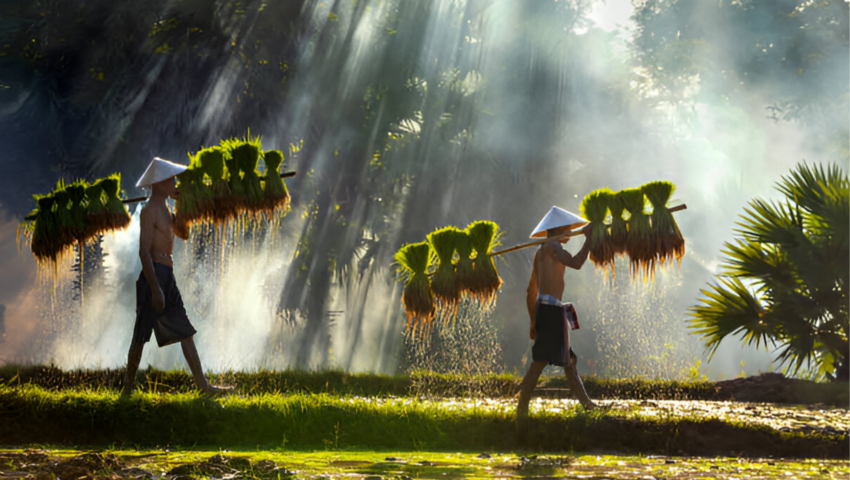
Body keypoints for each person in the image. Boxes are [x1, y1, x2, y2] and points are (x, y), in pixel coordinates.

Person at [123, 157, 227, 395]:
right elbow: (143, 251)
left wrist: (185, 204)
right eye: (171, 180)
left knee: (185, 331)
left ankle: (204, 386)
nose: (174, 183)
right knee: (140, 335)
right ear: (159, 183)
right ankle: (126, 390)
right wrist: (156, 289)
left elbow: (184, 234)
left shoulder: (167, 210)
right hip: (154, 277)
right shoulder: (149, 211)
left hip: (167, 274)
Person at [516, 206, 599, 419]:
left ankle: (588, 406)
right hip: (551, 312)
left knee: (569, 361)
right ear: (558, 228)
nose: (572, 231)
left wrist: (533, 321)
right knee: (539, 362)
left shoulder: (540, 251)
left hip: (548, 310)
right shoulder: (553, 246)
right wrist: (589, 239)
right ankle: (520, 413)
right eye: (568, 227)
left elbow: (530, 291)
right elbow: (577, 263)